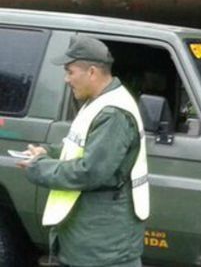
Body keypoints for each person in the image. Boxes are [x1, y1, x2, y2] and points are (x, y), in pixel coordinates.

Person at [17, 35, 149, 267]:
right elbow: (80, 149)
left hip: (103, 247)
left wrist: (38, 167)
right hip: (91, 240)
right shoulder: (99, 102)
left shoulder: (113, 113)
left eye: (70, 71)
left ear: (92, 72)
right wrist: (47, 152)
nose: (66, 79)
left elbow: (90, 171)